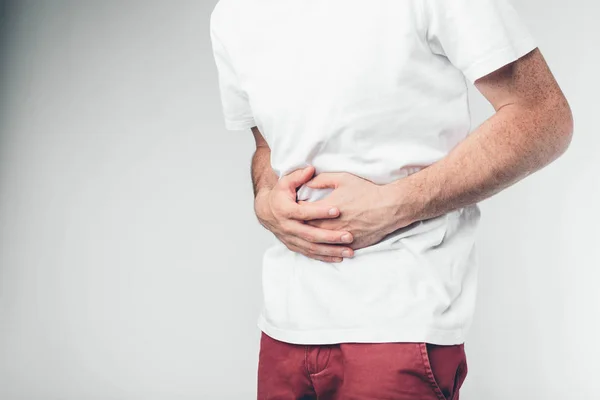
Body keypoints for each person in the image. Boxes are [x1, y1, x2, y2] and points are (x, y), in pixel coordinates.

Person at [209, 0, 573, 398]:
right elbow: (266, 147)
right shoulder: (232, 14)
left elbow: (543, 115)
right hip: (284, 326)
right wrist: (265, 199)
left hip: (399, 323)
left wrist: (395, 204)